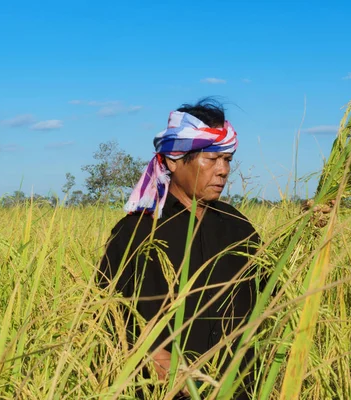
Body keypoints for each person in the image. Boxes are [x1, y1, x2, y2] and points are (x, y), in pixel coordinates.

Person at [98, 99, 262, 399]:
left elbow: (271, 294)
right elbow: (107, 312)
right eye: (211, 159)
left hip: (237, 389)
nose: (223, 171)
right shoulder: (136, 232)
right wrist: (153, 357)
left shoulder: (237, 226)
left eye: (227, 160)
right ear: (174, 160)